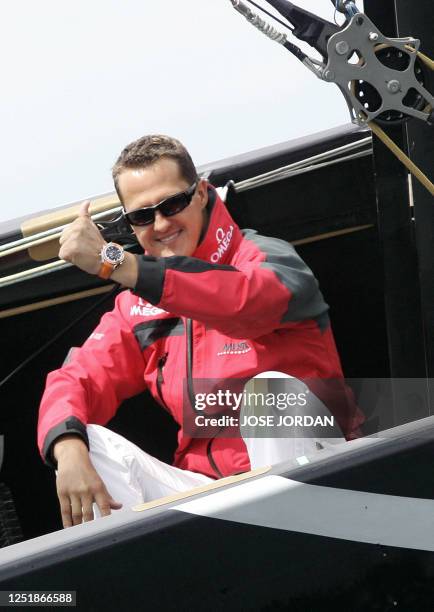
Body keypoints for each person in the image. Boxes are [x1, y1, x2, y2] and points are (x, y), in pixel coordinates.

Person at [38, 134, 363, 528]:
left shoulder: (264, 257)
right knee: (88, 443)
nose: (160, 224)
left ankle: (302, 550)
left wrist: (114, 262)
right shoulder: (135, 306)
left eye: (172, 204)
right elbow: (76, 378)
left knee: (272, 395)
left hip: (327, 483)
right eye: (142, 216)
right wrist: (68, 447)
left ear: (203, 194)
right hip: (209, 494)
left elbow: (247, 302)